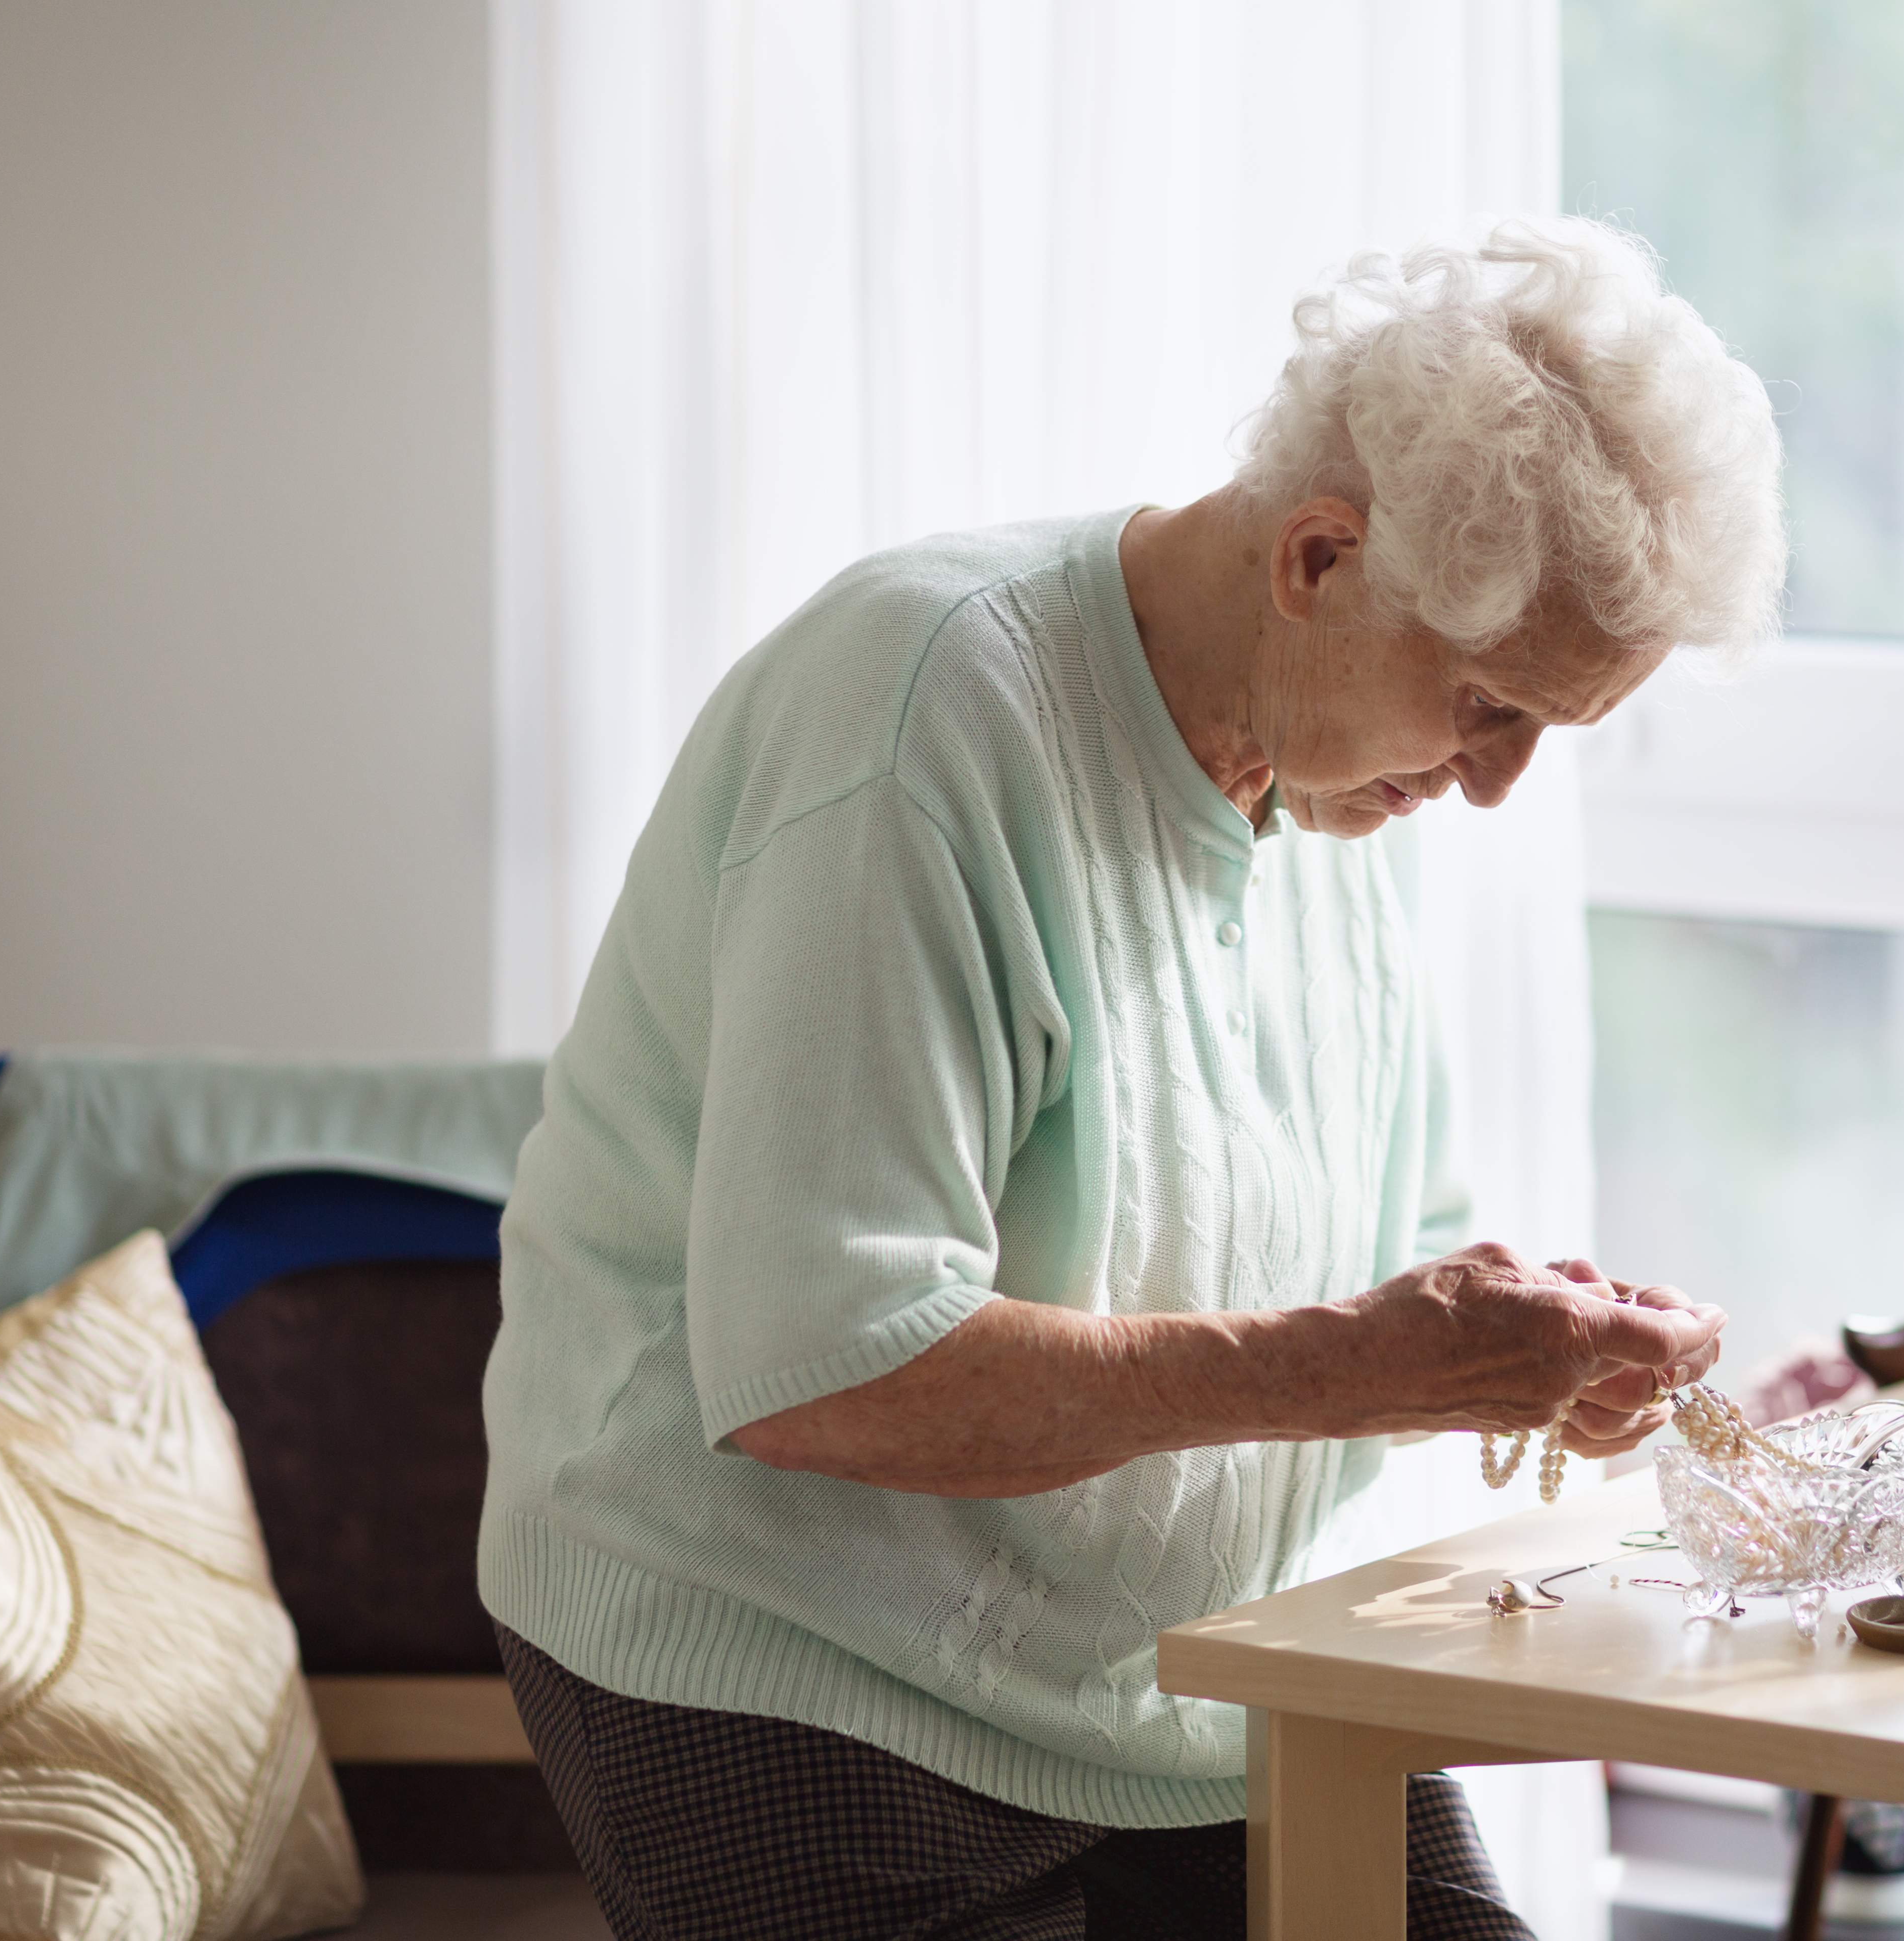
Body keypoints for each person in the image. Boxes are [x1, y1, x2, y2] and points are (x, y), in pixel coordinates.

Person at [479, 215, 1788, 1939]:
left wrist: (1515, 1352)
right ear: (1318, 559)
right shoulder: (922, 718)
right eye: (1483, 708)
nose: (1490, 789)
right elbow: (830, 1370)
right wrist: (1368, 1369)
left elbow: (1387, 1248)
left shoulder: (1332, 778)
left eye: (1550, 727)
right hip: (791, 1659)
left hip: (1174, 1683)